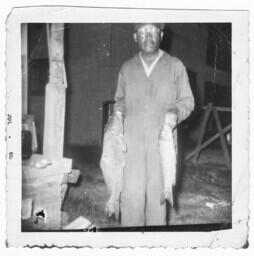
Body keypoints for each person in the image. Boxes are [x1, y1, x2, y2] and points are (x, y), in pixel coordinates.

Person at [113, 23, 195, 226]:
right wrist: (116, 117)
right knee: (131, 200)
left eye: (152, 30)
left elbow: (187, 102)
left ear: (162, 34)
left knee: (159, 201)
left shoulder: (176, 66)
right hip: (131, 147)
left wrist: (175, 113)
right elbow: (119, 101)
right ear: (135, 37)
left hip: (163, 147)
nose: (147, 35)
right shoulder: (126, 67)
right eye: (142, 31)